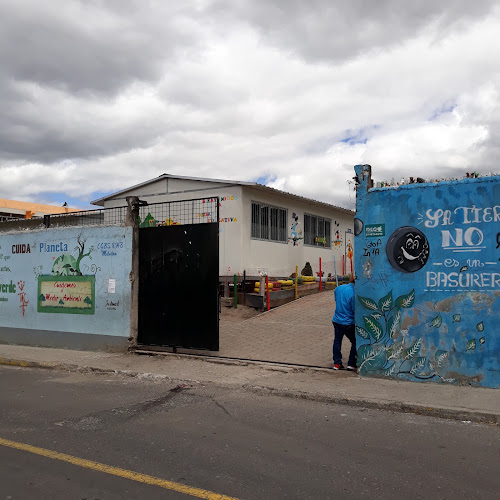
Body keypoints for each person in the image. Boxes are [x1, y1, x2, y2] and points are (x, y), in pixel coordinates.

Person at [332, 275, 356, 371]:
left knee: (337, 341)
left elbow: (335, 295)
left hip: (336, 320)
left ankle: (337, 363)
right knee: (355, 342)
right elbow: (354, 309)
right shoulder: (354, 293)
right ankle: (351, 363)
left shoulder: (339, 288)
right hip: (348, 322)